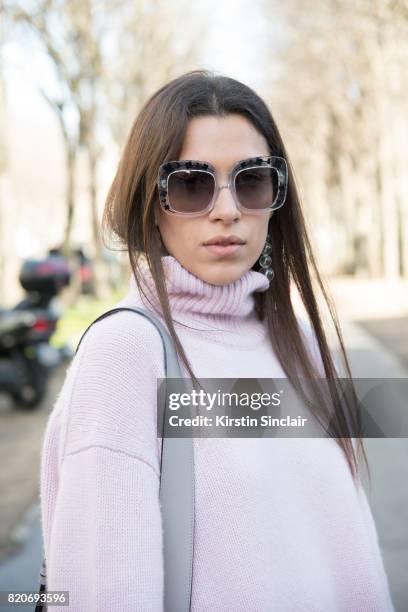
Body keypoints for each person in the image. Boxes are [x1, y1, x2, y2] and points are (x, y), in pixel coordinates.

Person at [39, 70, 395, 611]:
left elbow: (351, 557)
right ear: (149, 203)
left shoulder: (302, 344)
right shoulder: (127, 355)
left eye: (251, 180)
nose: (227, 209)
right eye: (190, 184)